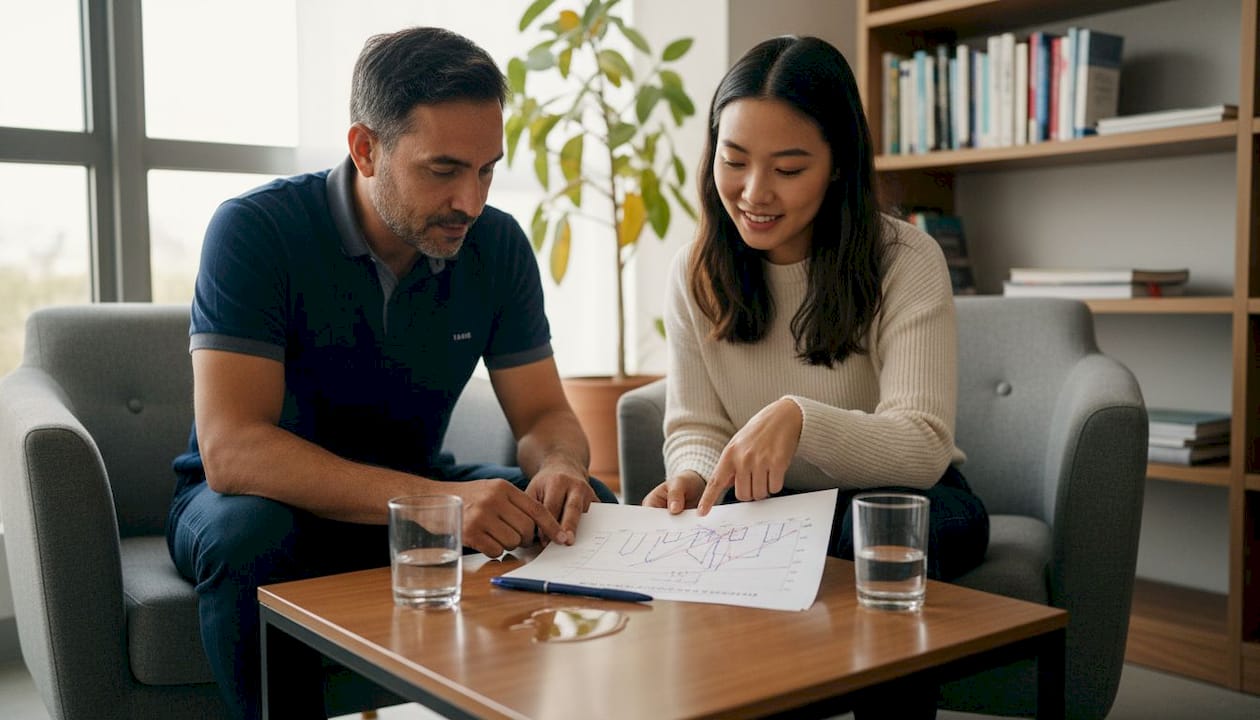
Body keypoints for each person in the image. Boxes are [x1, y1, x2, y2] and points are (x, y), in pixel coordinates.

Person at [165, 27, 617, 720]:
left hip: (415, 500)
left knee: (591, 508)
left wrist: (559, 464)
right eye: (443, 170)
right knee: (248, 536)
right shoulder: (255, 230)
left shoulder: (495, 247)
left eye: (488, 169)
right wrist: (440, 507)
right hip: (256, 504)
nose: (471, 199)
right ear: (365, 149)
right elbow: (233, 452)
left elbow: (543, 416)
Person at [642, 35, 989, 717]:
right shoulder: (696, 273)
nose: (754, 192)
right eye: (733, 160)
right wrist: (690, 476)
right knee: (713, 542)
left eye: (789, 168)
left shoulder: (905, 259)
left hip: (909, 497)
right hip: (773, 508)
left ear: (836, 166)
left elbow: (922, 442)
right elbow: (698, 427)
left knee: (858, 539)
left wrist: (800, 420)